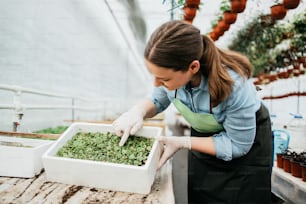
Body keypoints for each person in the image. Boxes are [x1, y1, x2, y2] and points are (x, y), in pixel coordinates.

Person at [112, 20, 272, 204]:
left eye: (164, 79)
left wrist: (184, 142)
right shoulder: (174, 77)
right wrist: (137, 111)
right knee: (201, 193)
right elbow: (158, 98)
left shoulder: (234, 86)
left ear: (193, 67)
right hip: (205, 139)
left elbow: (237, 145)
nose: (157, 84)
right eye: (155, 77)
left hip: (245, 146)